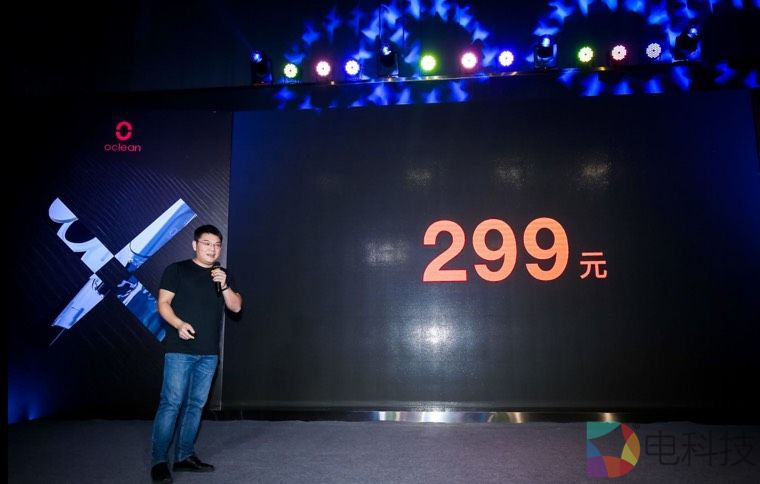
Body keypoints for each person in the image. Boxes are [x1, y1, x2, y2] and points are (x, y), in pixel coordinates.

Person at [150, 224, 243, 483]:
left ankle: (184, 456)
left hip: (209, 353)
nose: (212, 249)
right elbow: (163, 304)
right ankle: (159, 460)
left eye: (217, 245)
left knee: (196, 406)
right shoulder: (177, 270)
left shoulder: (223, 275)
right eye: (207, 243)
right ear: (195, 245)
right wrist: (179, 324)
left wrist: (225, 285)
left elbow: (236, 307)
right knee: (171, 404)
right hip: (180, 350)